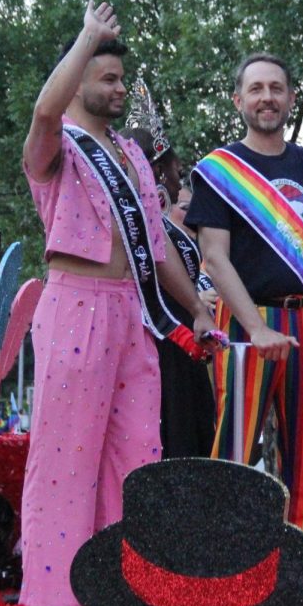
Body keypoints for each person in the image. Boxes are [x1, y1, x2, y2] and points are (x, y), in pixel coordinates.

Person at [19, 1, 216, 606]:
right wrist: (86, 37)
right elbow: (45, 112)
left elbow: (155, 250)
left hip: (132, 315)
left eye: (121, 80)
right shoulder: (58, 145)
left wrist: (196, 308)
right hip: (75, 303)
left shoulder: (131, 154)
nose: (120, 88)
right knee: (63, 454)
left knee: (136, 452)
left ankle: (122, 584)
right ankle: (49, 593)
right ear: (77, 79)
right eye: (107, 78)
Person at [187, 52, 303, 535]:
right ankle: (220, 571)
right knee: (234, 451)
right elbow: (214, 258)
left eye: (276, 88)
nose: (267, 97)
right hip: (244, 323)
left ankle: (297, 578)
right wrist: (255, 329)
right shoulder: (219, 170)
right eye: (256, 89)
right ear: (239, 100)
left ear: (291, 98)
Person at [122, 79, 217, 459]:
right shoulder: (137, 225)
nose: (180, 178)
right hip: (155, 346)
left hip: (183, 348)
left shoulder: (171, 228)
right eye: (176, 169)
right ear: (158, 170)